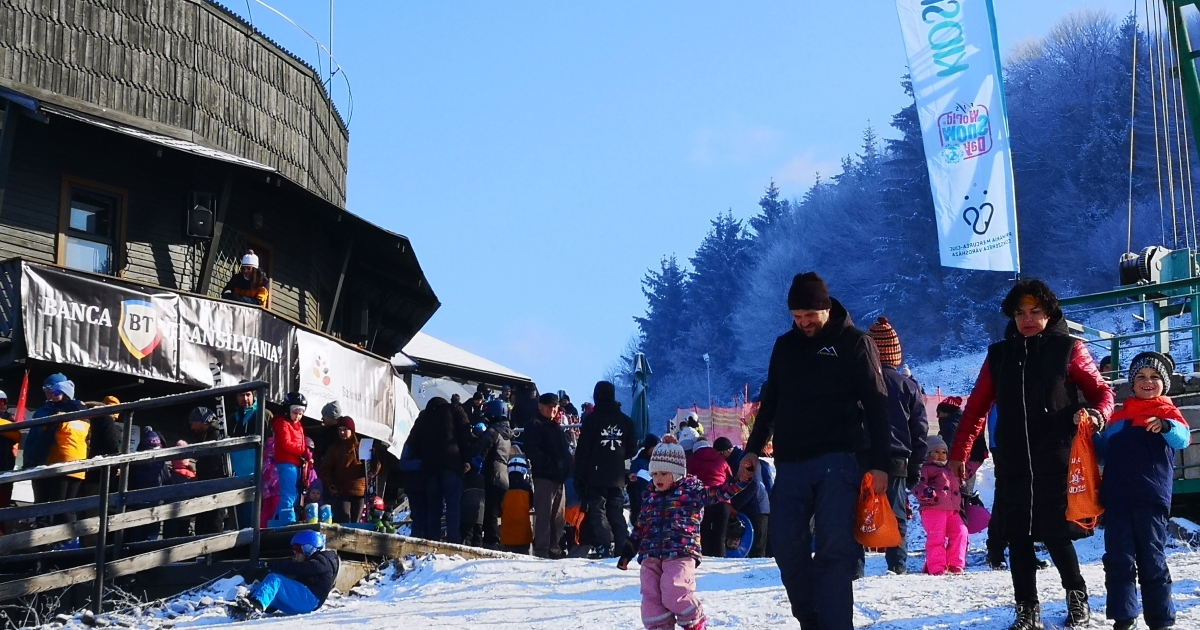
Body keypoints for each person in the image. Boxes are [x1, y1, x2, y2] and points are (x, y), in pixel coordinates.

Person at [949, 279, 1114, 630]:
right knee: (1018, 537)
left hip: (1057, 458)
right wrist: (960, 453)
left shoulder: (1070, 349)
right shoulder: (999, 355)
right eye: (1020, 312)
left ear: (1049, 312)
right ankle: (1027, 610)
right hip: (1012, 460)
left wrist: (1098, 415)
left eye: (1035, 312)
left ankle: (1077, 597)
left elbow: (1101, 391)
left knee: (1057, 534)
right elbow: (976, 408)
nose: (1027, 318)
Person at [741, 272, 891, 630]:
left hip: (839, 460)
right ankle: (811, 617)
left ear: (825, 308)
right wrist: (751, 450)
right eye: (797, 316)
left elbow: (877, 405)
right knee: (786, 546)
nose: (803, 323)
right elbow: (771, 401)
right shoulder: (785, 346)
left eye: (809, 315)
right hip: (791, 462)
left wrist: (881, 463)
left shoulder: (854, 343)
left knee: (834, 551)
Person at [617, 436, 754, 630]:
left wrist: (741, 479)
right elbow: (640, 526)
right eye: (654, 473)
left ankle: (695, 623)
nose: (657, 479)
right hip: (650, 553)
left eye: (663, 473)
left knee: (674, 590)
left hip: (681, 550)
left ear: (677, 473)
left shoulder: (691, 490)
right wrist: (628, 550)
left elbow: (719, 493)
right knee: (650, 600)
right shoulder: (650, 495)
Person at [1101, 351, 1188, 630]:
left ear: (1164, 382)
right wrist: (1089, 431)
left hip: (1150, 499)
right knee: (1118, 560)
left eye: (1154, 377)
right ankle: (1123, 618)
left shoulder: (1169, 414)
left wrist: (1164, 426)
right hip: (1116, 499)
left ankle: (1160, 621)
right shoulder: (1119, 418)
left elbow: (1182, 438)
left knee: (1152, 560)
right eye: (1140, 376)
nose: (1147, 381)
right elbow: (1102, 450)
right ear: (1132, 382)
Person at [867, 316, 929, 575]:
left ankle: (854, 565)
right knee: (896, 512)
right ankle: (897, 564)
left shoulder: (858, 382)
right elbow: (920, 430)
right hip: (898, 457)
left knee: (859, 509)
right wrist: (917, 464)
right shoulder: (908, 385)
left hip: (863, 455)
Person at [574, 381, 637, 557]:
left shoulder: (591, 420)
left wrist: (580, 474)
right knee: (616, 511)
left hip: (595, 474)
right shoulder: (626, 421)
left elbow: (583, 451)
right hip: (617, 474)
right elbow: (632, 448)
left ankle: (603, 546)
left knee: (598, 510)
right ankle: (623, 545)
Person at [407, 397, 471, 543]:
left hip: (430, 470)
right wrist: (467, 459)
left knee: (434, 508)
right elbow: (466, 435)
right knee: (453, 505)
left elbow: (413, 441)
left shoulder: (424, 416)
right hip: (452, 465)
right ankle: (453, 540)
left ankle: (433, 540)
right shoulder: (455, 409)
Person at [235, 530, 338, 617]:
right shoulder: (314, 562)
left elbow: (302, 568)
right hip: (305, 601)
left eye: (298, 548)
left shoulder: (323, 560)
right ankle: (246, 606)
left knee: (275, 579)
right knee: (269, 589)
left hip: (310, 600)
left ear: (309, 548)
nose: (295, 552)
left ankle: (255, 606)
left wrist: (272, 565)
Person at [25, 374, 87, 519]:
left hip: (59, 462)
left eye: (50, 388)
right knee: (41, 504)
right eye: (45, 388)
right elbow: (33, 439)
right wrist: (29, 460)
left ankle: (61, 539)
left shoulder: (77, 410)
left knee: (59, 506)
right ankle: (43, 538)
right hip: (40, 462)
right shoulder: (42, 411)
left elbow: (83, 437)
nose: (47, 392)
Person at [521, 393, 573, 558]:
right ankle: (542, 549)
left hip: (559, 477)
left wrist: (565, 468)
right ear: (540, 406)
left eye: (555, 407)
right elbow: (532, 450)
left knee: (558, 516)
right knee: (544, 514)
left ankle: (554, 547)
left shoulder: (556, 427)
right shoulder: (534, 425)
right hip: (544, 476)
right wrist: (550, 464)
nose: (553, 409)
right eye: (550, 406)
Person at [912, 436, 966, 575]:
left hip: (952, 510)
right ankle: (937, 567)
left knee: (961, 532)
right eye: (936, 452)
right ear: (928, 454)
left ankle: (955, 564)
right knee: (937, 537)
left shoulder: (951, 469)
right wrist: (927, 492)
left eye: (943, 452)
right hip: (933, 508)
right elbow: (917, 484)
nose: (940, 455)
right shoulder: (926, 469)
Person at [715, 436, 770, 558]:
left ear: (726, 451)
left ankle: (758, 575)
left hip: (757, 507)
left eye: (720, 454)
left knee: (757, 548)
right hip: (748, 507)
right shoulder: (733, 460)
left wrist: (735, 505)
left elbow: (753, 484)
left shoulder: (744, 459)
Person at [687, 436, 734, 558]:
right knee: (720, 536)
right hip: (723, 500)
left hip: (702, 499)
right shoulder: (722, 460)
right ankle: (721, 560)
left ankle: (705, 559)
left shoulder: (692, 460)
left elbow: (688, 481)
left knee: (704, 533)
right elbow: (730, 479)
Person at [319, 417, 371, 524]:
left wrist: (372, 465)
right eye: (340, 430)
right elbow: (325, 470)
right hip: (342, 492)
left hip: (360, 492)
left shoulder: (361, 447)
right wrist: (330, 485)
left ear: (351, 430)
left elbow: (374, 467)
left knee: (356, 523)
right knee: (344, 521)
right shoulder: (334, 449)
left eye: (345, 429)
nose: (342, 432)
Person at [477, 399, 512, 548]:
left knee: (489, 511)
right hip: (504, 476)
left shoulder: (492, 432)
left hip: (492, 474)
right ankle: (497, 539)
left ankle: (492, 541)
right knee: (496, 511)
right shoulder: (507, 435)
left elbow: (480, 451)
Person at [189, 407, 229, 534]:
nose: (192, 428)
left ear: (201, 422)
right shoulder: (207, 436)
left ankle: (214, 552)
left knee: (213, 521)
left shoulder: (215, 437)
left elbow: (214, 463)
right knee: (206, 521)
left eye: (193, 423)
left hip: (213, 484)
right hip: (208, 483)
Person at [128, 427, 172, 541]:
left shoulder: (135, 461)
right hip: (155, 503)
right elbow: (166, 478)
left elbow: (130, 480)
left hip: (137, 502)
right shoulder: (161, 463)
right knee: (152, 534)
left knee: (136, 535)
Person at [273, 393, 310, 524]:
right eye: (295, 412)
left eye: (301, 413)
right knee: (288, 493)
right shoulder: (282, 423)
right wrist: (303, 451)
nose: (298, 416)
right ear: (288, 410)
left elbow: (302, 443)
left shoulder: (299, 426)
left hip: (297, 463)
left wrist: (307, 454)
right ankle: (287, 520)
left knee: (295, 494)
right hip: (286, 463)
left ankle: (277, 519)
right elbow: (285, 443)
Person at [228, 386, 260, 529]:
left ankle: (250, 548)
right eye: (241, 395)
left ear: (253, 395)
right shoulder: (232, 418)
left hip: (255, 473)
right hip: (235, 473)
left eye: (248, 395)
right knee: (235, 516)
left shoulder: (263, 414)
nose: (245, 399)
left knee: (251, 516)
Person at [501, 445, 534, 554]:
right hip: (523, 534)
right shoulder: (527, 487)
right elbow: (531, 505)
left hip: (507, 534)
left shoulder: (504, 486)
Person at [628, 434, 659, 530]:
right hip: (642, 506)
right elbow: (637, 488)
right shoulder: (640, 463)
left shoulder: (653, 461)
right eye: (655, 448)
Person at [0, 391, 21, 516]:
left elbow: (17, 435)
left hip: (4, 463)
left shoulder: (10, 419)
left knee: (3, 500)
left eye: (3, 402)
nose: (1, 405)